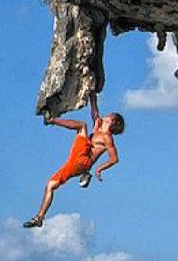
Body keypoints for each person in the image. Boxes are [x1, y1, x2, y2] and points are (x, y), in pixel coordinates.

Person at [23, 91, 124, 228]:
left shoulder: (107, 137)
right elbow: (94, 111)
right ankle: (39, 217)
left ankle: (51, 120)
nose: (106, 115)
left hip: (83, 160)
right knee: (50, 185)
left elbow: (114, 159)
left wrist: (99, 168)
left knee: (82, 126)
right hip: (77, 162)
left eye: (109, 116)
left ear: (112, 122)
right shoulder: (98, 126)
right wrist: (92, 94)